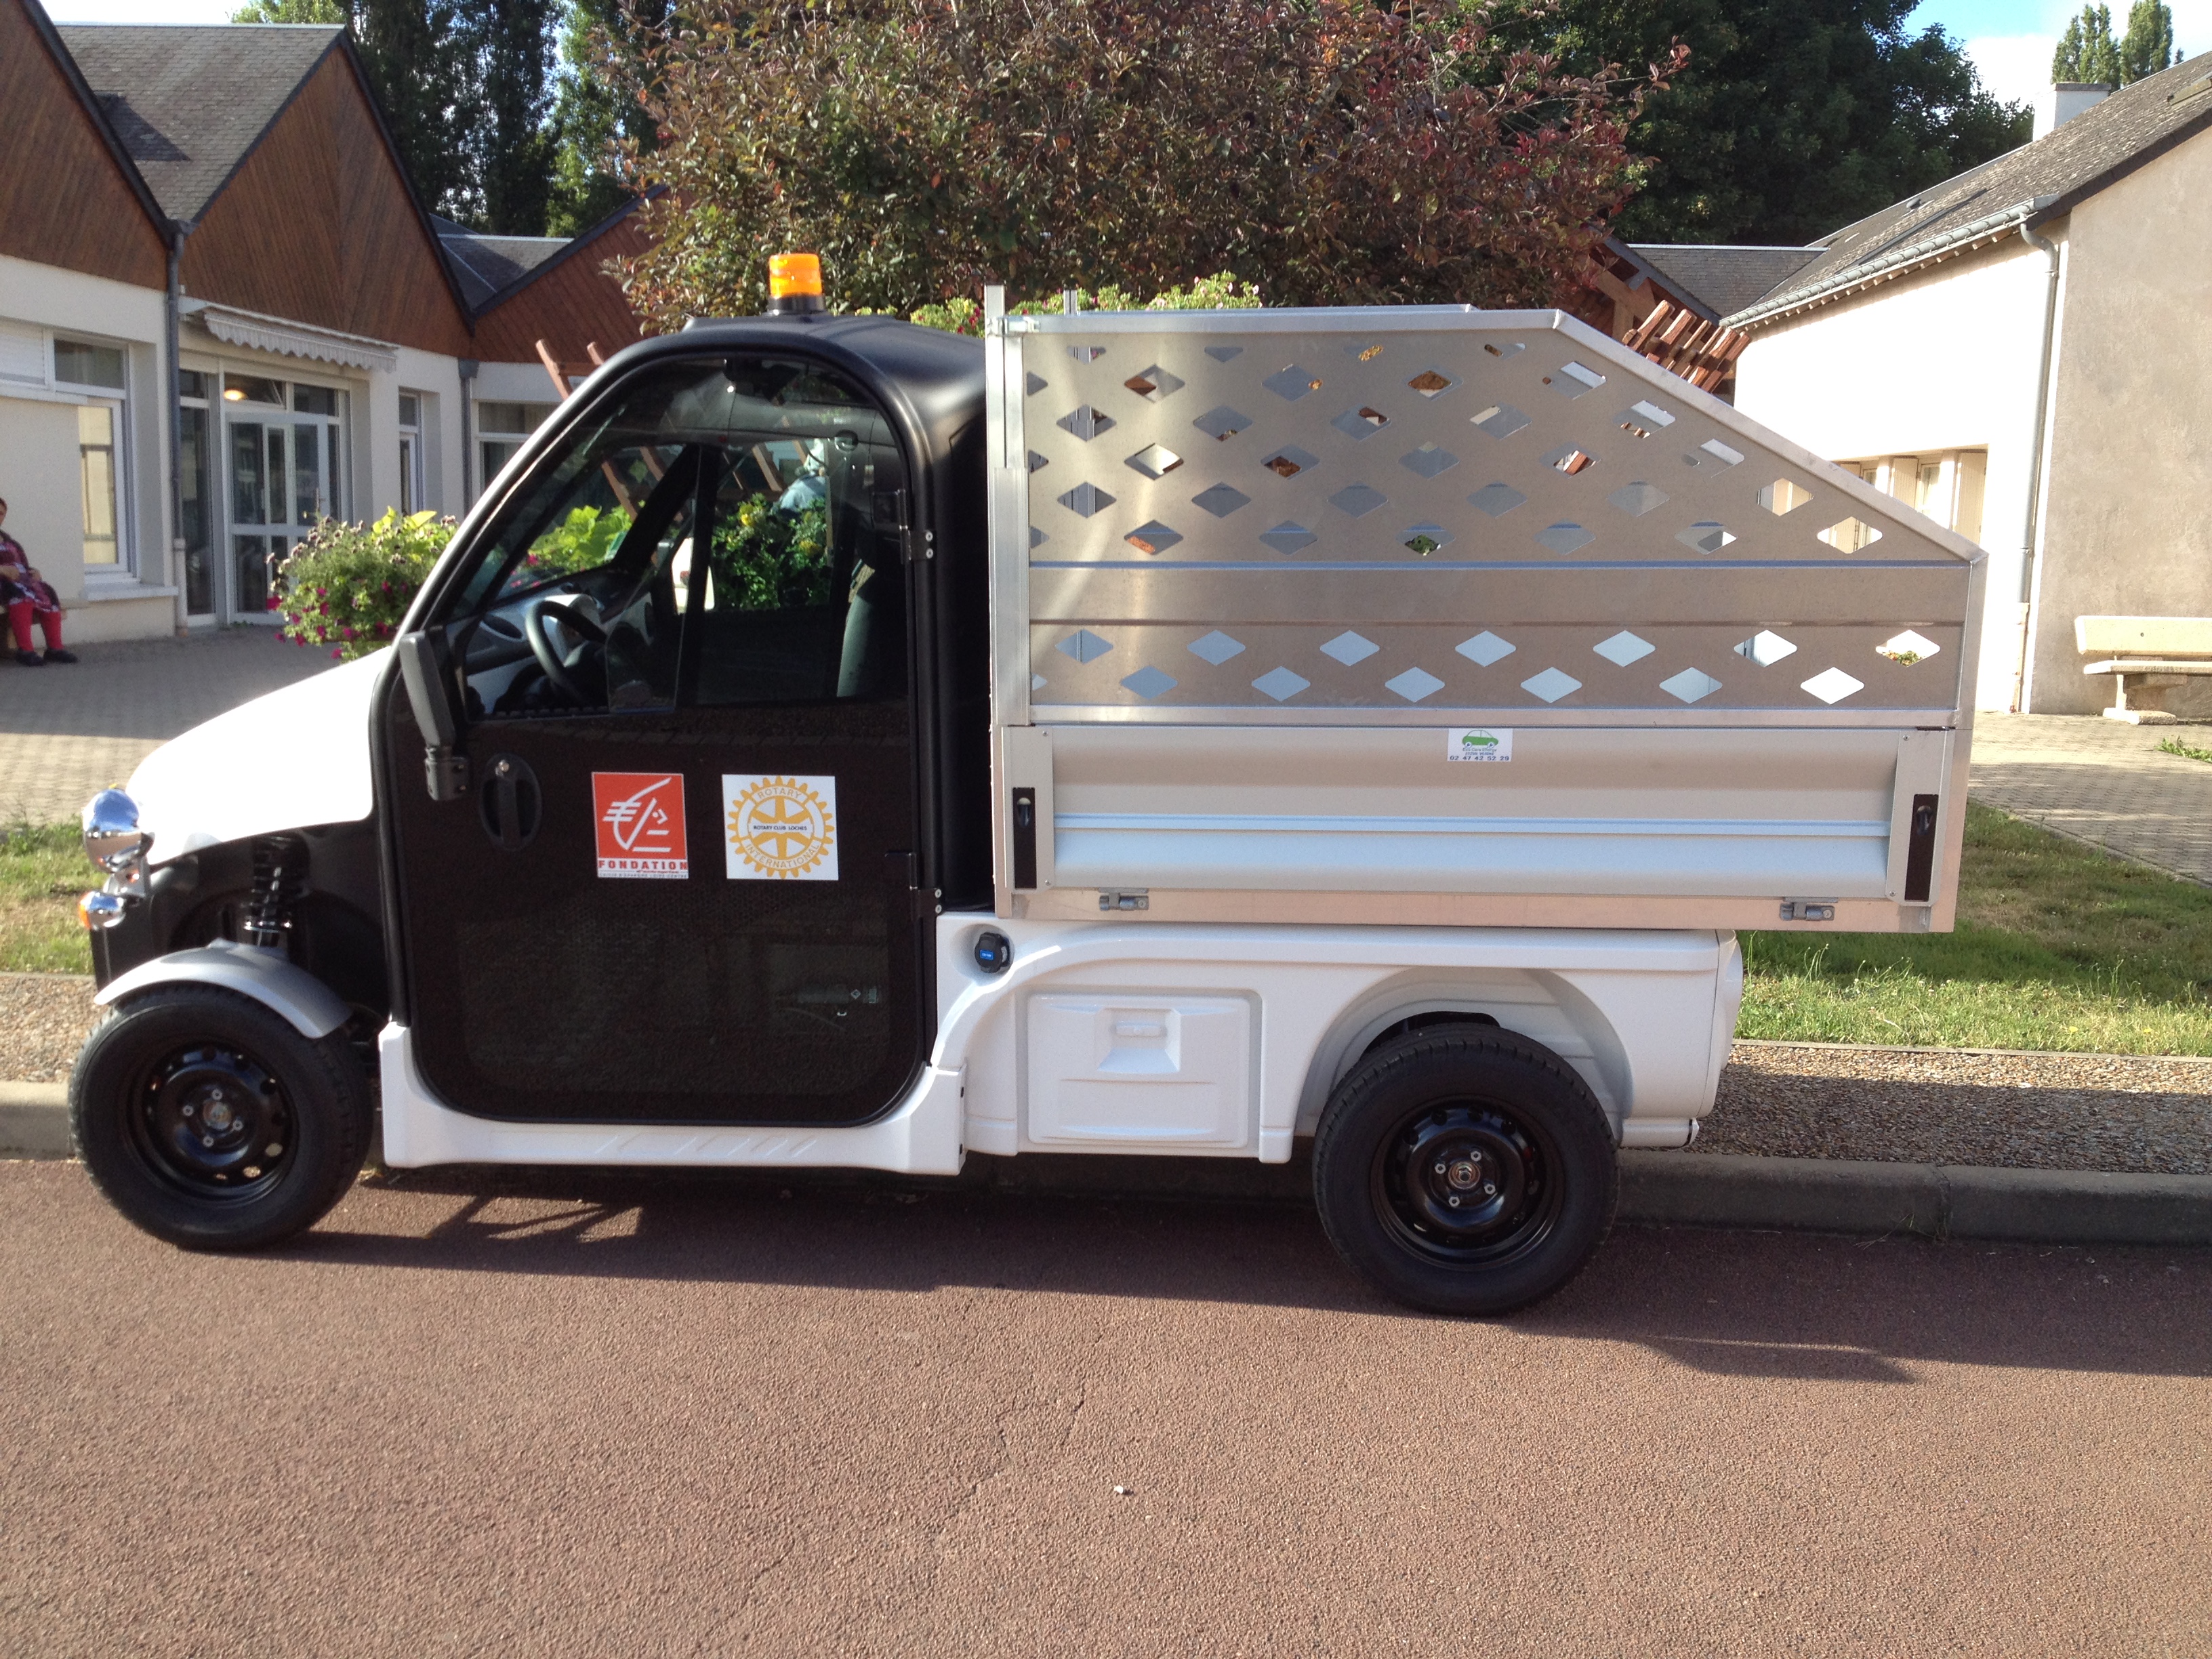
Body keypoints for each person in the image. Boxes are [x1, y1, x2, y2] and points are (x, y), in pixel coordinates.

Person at [0, 497, 76, 666]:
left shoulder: (11, 542)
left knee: (46, 591)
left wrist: (34, 573)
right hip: (4, 584)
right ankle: (25, 650)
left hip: (18, 581)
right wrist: (2, 570)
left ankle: (55, 648)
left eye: (2, 513)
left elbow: (22, 565)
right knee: (20, 595)